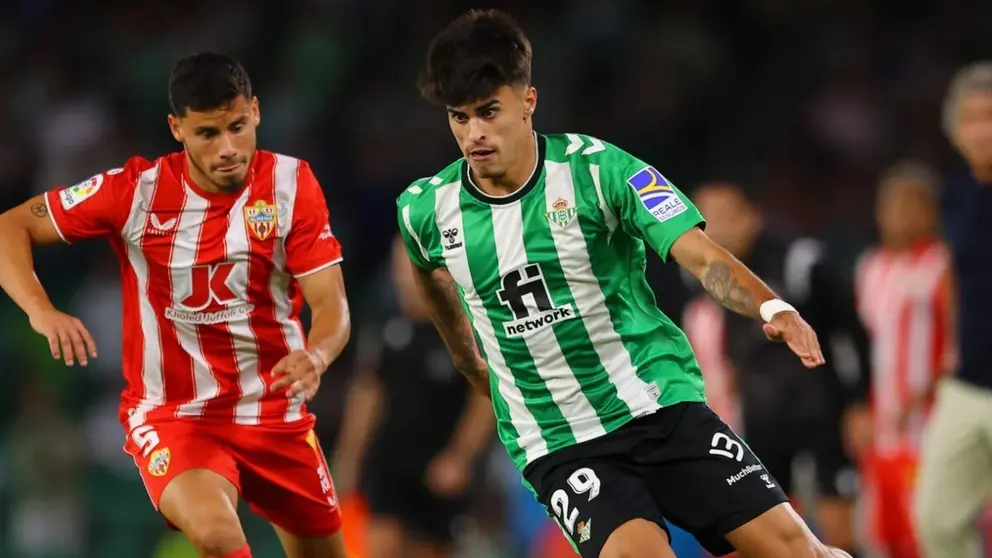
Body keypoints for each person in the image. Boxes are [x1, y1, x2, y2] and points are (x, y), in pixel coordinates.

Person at [396, 9, 850, 558]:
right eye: (459, 118)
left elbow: (701, 256)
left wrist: (771, 307)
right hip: (560, 440)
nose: (474, 134)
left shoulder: (599, 170)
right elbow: (432, 279)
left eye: (488, 112)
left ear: (528, 101)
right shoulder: (425, 209)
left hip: (657, 404)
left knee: (798, 551)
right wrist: (468, 359)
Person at [0, 53, 351, 558]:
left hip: (274, 413)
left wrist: (317, 355)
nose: (227, 148)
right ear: (177, 128)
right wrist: (40, 308)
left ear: (255, 111)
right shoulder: (135, 193)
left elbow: (331, 303)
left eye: (237, 127)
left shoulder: (292, 185)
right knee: (217, 534)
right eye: (208, 133)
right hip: (176, 416)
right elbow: (11, 226)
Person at [690, 182, 869, 556]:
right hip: (761, 418)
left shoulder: (800, 261)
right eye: (705, 220)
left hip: (820, 411)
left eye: (723, 216)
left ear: (752, 217)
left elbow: (851, 333)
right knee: (764, 537)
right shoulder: (712, 276)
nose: (713, 229)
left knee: (838, 529)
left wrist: (859, 402)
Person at [334, 234, 495, 558]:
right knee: (380, 545)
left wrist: (461, 456)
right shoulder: (384, 327)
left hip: (438, 464)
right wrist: (348, 457)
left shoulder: (464, 331)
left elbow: (485, 400)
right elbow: (367, 394)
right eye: (399, 266)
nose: (406, 277)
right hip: (389, 462)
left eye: (412, 266)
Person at [844, 162, 952, 558]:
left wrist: (927, 394)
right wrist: (856, 406)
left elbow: (959, 342)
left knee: (929, 528)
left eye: (912, 205)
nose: (901, 215)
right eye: (892, 205)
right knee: (879, 534)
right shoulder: (869, 267)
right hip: (879, 422)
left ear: (931, 212)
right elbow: (855, 347)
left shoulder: (942, 264)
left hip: (929, 421)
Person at [914, 60, 992, 558]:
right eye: (970, 118)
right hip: (967, 382)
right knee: (936, 519)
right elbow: (955, 277)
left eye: (990, 116)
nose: (981, 130)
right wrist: (948, 351)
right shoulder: (956, 195)